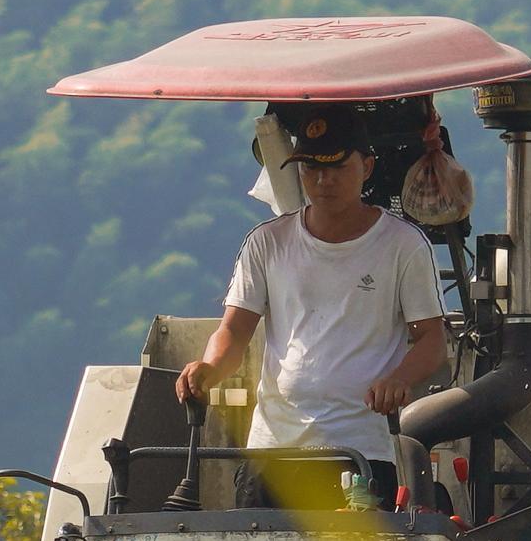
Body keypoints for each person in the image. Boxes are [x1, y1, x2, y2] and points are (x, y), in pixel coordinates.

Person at [176, 97, 465, 506]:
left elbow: (432, 340)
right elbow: (233, 332)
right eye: (312, 168)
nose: (323, 180)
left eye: (336, 167)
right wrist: (207, 369)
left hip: (361, 452)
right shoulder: (267, 242)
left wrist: (400, 379)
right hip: (273, 452)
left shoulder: (403, 245)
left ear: (366, 167)